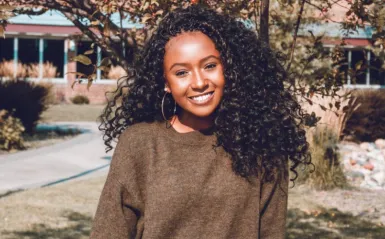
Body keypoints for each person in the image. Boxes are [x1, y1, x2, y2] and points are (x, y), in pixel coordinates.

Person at [90, 4, 311, 239]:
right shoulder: (140, 143)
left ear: (229, 68)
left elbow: (271, 233)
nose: (198, 82)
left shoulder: (264, 145)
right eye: (181, 72)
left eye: (210, 66)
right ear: (166, 82)